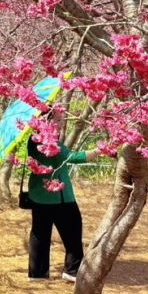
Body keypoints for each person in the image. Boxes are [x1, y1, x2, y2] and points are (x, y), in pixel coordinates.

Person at [23, 107, 102, 282]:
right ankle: (72, 271)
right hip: (59, 197)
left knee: (40, 233)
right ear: (45, 121)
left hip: (39, 195)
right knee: (73, 231)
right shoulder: (49, 142)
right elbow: (73, 157)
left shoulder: (32, 139)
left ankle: (37, 274)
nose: (61, 123)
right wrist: (98, 151)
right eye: (57, 120)